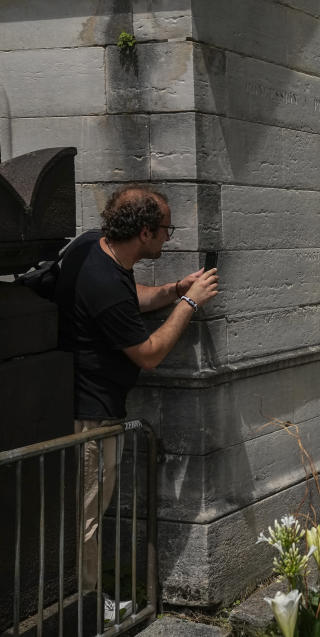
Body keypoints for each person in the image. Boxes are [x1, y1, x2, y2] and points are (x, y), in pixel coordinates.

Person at [55, 184, 219, 591]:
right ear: (144, 232)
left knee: (84, 513)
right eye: (166, 229)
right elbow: (148, 354)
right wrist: (190, 304)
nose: (168, 236)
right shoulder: (104, 283)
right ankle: (85, 610)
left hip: (79, 404)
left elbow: (129, 301)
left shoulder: (94, 247)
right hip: (92, 417)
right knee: (87, 518)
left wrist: (173, 290)